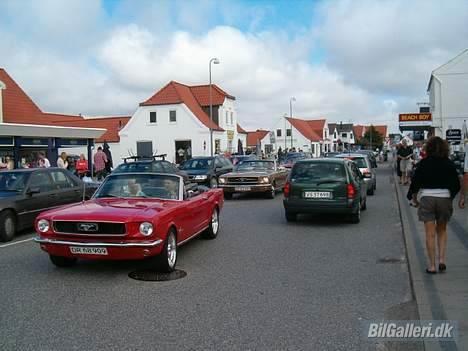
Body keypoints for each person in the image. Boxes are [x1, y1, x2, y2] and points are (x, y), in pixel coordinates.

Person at [407, 137, 460, 274]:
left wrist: (413, 198)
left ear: (428, 148)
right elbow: (456, 184)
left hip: (427, 198)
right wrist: (451, 197)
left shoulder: (423, 163)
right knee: (442, 230)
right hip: (444, 198)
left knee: (430, 234)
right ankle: (442, 260)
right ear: (444, 148)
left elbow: (415, 183)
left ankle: (431, 266)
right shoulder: (449, 164)